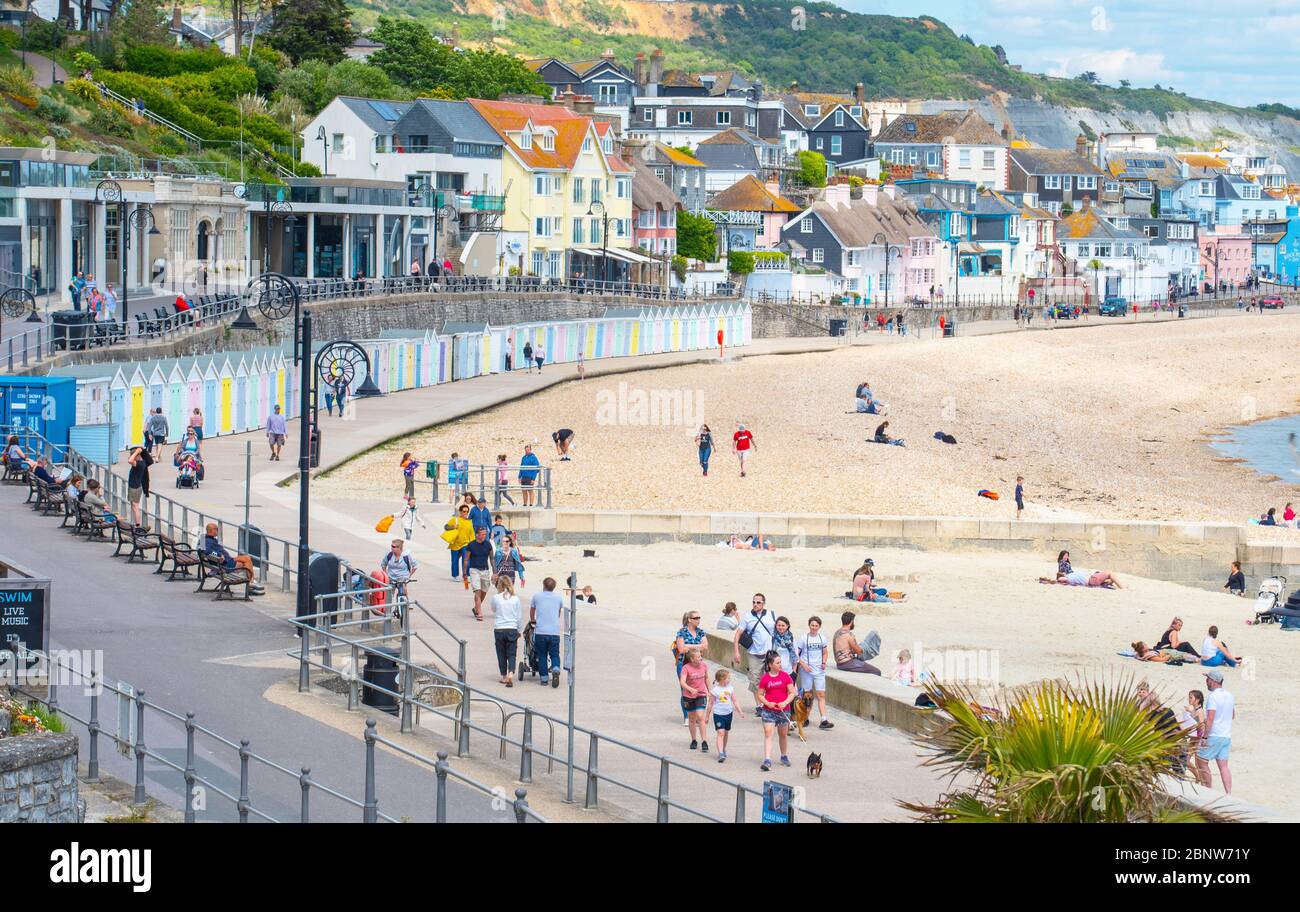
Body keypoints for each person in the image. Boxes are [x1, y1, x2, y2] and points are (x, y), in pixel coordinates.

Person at [731, 593, 776, 704]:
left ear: (764, 604)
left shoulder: (772, 615)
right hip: (753, 654)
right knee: (755, 680)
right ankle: (760, 705)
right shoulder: (747, 617)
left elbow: (779, 632)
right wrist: (736, 652)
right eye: (754, 602)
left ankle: (767, 702)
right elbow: (738, 635)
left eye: (758, 602)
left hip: (769, 654)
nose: (755, 604)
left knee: (770, 680)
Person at [1197, 669, 1235, 794]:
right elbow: (1233, 715)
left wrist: (1205, 737)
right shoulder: (1230, 695)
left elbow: (1210, 719)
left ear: (1213, 681)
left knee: (1201, 760)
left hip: (1214, 734)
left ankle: (1208, 790)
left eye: (1207, 679)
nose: (1206, 681)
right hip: (1226, 735)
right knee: (1223, 766)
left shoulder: (1213, 697)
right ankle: (1228, 793)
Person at [756, 652, 795, 772]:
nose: (780, 665)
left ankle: (783, 755)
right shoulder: (765, 678)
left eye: (780, 662)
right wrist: (767, 703)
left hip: (784, 711)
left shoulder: (785, 676)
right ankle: (767, 759)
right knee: (768, 733)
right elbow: (760, 694)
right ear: (770, 665)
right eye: (777, 663)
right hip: (769, 711)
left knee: (783, 734)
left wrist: (785, 702)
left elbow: (792, 693)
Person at [201, 523, 265, 594]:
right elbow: (206, 551)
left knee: (247, 558)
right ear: (211, 530)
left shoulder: (204, 538)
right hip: (225, 565)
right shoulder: (209, 541)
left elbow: (200, 551)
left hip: (225, 561)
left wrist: (219, 555)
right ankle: (251, 583)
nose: (218, 531)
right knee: (246, 562)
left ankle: (251, 583)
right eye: (216, 529)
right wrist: (219, 555)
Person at [795, 616, 833, 730]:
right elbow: (796, 654)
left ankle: (824, 719)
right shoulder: (803, 638)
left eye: (816, 626)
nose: (814, 628)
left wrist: (823, 662)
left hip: (819, 670)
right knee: (807, 695)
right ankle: (805, 717)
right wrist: (803, 665)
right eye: (812, 625)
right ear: (809, 625)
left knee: (821, 695)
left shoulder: (822, 638)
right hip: (806, 670)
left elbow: (825, 653)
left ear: (819, 626)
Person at [529, 577, 565, 687]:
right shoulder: (558, 598)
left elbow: (532, 610)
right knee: (554, 654)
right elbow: (558, 613)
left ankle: (544, 679)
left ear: (544, 585)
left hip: (541, 631)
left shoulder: (536, 596)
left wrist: (533, 620)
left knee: (542, 655)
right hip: (554, 631)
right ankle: (555, 668)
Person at [676, 610, 708, 725]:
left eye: (699, 618)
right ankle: (687, 716)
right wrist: (698, 647)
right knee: (685, 689)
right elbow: (681, 649)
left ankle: (697, 715)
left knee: (699, 688)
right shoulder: (682, 632)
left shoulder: (701, 632)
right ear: (689, 619)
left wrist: (689, 646)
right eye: (696, 618)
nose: (698, 620)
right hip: (684, 663)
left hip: (698, 664)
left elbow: (705, 646)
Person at [491, 576, 523, 686]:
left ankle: (504, 676)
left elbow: (493, 609)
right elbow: (518, 616)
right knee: (511, 653)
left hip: (499, 628)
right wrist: (519, 629)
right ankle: (511, 673)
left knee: (501, 653)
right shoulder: (515, 598)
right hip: (512, 628)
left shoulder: (496, 597)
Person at [706, 668, 743, 764]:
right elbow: (710, 703)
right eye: (728, 678)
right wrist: (707, 716)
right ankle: (721, 753)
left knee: (726, 733)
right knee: (720, 733)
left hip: (728, 713)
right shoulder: (715, 690)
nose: (729, 680)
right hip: (718, 714)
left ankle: (723, 748)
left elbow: (734, 700)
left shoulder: (730, 688)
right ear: (722, 679)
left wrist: (740, 711)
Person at [679, 646, 711, 752]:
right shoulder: (686, 668)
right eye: (698, 657)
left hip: (701, 694)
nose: (701, 658)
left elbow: (706, 678)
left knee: (700, 716)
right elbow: (682, 682)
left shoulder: (704, 666)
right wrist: (690, 689)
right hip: (688, 697)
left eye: (701, 656)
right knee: (692, 719)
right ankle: (693, 740)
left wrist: (710, 690)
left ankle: (704, 741)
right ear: (692, 659)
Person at [463, 526, 495, 621]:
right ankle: (479, 612)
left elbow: (492, 559)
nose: (484, 536)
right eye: (482, 534)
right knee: (477, 591)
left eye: (485, 534)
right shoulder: (471, 545)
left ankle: (476, 608)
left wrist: (495, 572)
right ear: (477, 534)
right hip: (474, 570)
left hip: (485, 570)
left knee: (484, 591)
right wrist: (465, 573)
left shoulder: (488, 544)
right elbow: (466, 559)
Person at [379, 539, 417, 606]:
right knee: (389, 595)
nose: (391, 548)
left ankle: (407, 603)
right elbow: (383, 565)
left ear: (399, 548)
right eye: (391, 546)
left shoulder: (406, 556)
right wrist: (386, 575)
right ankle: (388, 608)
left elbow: (415, 566)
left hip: (402, 577)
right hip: (391, 578)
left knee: (404, 590)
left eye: (394, 547)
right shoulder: (389, 555)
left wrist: (409, 576)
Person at [442, 503, 475, 580]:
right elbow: (445, 527)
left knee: (466, 560)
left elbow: (472, 533)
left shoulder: (469, 522)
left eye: (467, 511)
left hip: (465, 544)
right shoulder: (455, 520)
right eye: (464, 511)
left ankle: (466, 575)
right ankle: (455, 575)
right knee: (455, 560)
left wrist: (473, 544)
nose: (466, 513)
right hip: (455, 544)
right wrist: (453, 526)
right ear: (460, 512)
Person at [126, 445, 152, 528]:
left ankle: (137, 525)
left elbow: (130, 460)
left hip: (135, 487)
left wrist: (137, 451)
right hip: (134, 486)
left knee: (135, 506)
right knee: (133, 505)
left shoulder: (140, 463)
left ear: (137, 456)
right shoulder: (140, 462)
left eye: (132, 455)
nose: (131, 457)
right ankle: (136, 523)